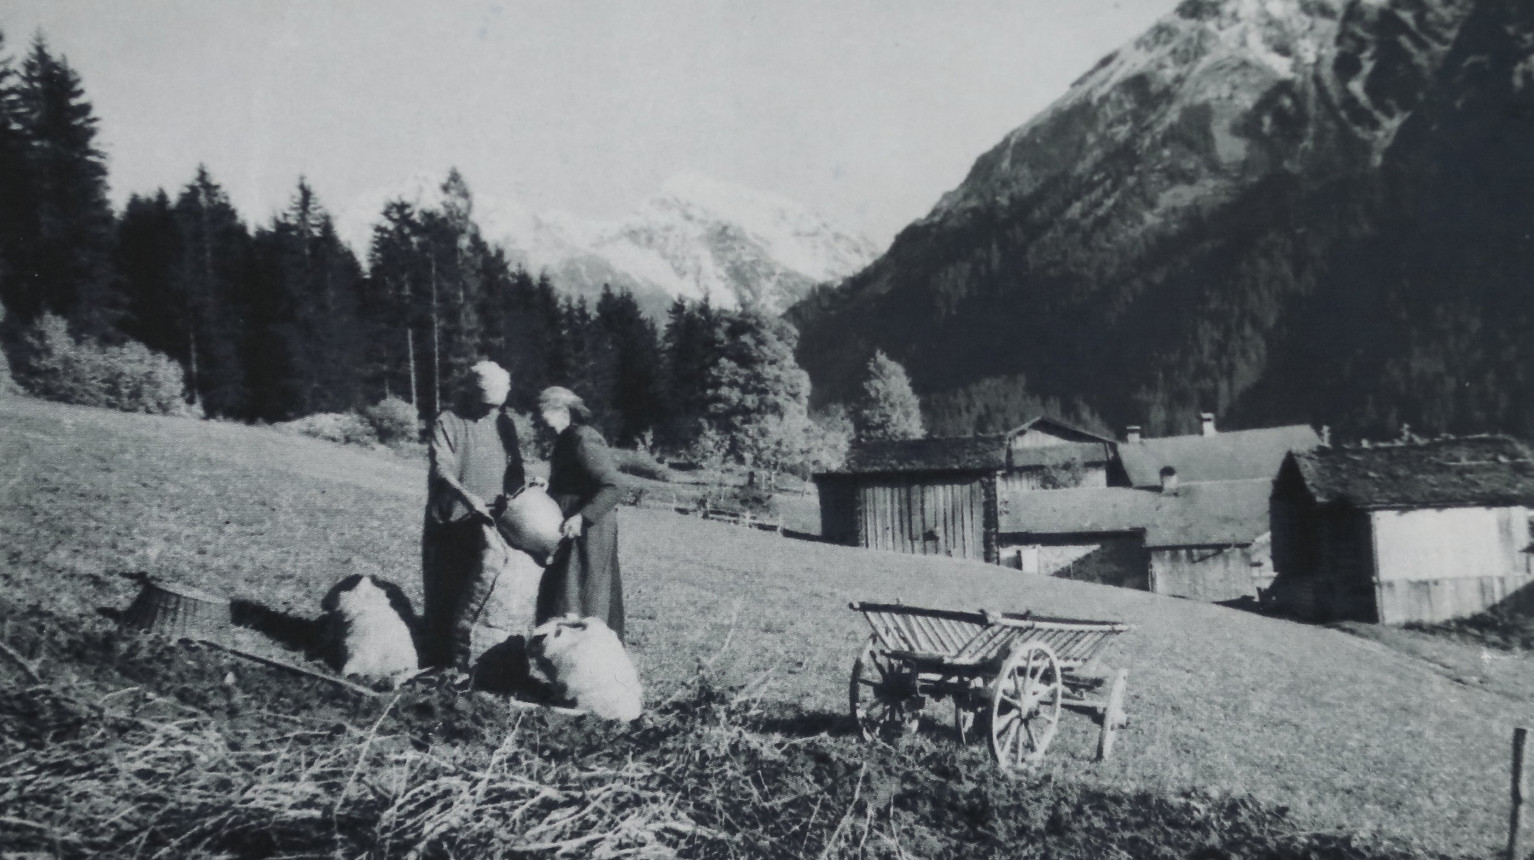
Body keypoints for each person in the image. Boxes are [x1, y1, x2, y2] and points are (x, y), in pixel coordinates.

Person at [421, 360, 525, 669]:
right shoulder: (448, 421)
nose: (489, 411)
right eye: (485, 404)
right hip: (449, 519)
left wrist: (528, 484)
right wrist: (467, 498)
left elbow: (515, 466)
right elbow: (442, 467)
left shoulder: (504, 423)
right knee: (443, 588)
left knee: (476, 590)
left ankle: (467, 661)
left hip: (489, 522)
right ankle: (437, 663)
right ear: (472, 392)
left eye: (495, 405)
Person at [535, 386, 625, 640]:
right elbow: (575, 483)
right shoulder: (567, 439)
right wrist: (550, 489)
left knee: (582, 598)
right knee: (567, 596)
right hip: (573, 531)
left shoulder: (583, 439)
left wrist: (582, 517)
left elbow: (613, 485)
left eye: (543, 413)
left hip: (588, 533)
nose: (540, 421)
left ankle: (587, 655)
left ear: (562, 411)